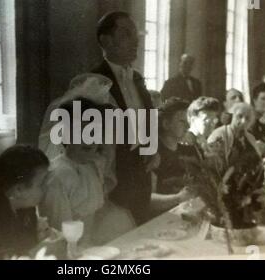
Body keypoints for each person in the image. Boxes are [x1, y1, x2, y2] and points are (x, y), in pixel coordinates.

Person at [40, 98, 135, 245]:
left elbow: (100, 215)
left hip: (98, 244)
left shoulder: (94, 165)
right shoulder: (58, 176)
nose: (90, 139)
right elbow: (59, 233)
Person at [91, 12, 155, 225]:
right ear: (105, 40)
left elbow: (148, 115)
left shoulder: (136, 77)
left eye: (136, 34)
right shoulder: (92, 82)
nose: (136, 40)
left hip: (141, 171)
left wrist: (151, 148)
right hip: (113, 173)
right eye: (126, 34)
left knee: (143, 228)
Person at [207, 103, 264, 229]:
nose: (243, 121)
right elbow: (211, 168)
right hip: (224, 194)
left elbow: (258, 163)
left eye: (247, 118)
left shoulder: (250, 138)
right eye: (239, 116)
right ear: (232, 116)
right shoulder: (220, 135)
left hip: (246, 194)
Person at [151, 98, 194, 215]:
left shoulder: (187, 151)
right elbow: (147, 199)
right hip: (158, 219)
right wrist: (178, 198)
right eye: (182, 121)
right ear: (166, 124)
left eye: (188, 121)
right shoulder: (153, 154)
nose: (188, 126)